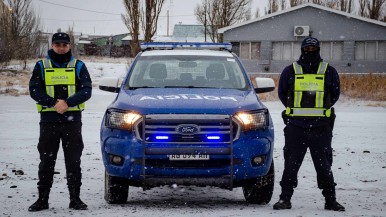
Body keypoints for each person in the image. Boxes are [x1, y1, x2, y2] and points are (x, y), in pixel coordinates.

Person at [273, 37, 345, 211]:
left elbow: (334, 95)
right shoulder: (290, 71)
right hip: (296, 127)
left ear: (319, 49)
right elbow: (283, 94)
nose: (310, 51)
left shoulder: (329, 71)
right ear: (302, 49)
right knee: (291, 165)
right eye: (308, 48)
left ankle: (330, 200)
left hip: (321, 127)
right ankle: (285, 199)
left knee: (324, 166)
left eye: (314, 48)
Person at [28, 32, 92, 211]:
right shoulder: (41, 66)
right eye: (58, 45)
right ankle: (42, 199)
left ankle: (75, 199)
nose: (61, 48)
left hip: (72, 122)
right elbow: (34, 90)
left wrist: (68, 103)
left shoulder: (79, 66)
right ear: (52, 45)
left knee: (73, 161)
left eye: (64, 45)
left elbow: (86, 90)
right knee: (46, 161)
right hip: (49, 121)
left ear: (69, 46)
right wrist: (53, 103)